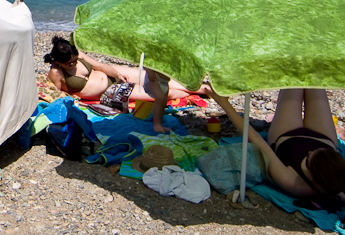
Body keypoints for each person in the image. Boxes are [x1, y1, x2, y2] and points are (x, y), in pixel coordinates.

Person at [44, 36, 206, 133]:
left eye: (75, 61)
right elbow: (60, 94)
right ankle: (201, 90)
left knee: (154, 76)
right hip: (108, 91)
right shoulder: (56, 73)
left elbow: (99, 66)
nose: (74, 64)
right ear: (59, 62)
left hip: (112, 75)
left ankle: (199, 86)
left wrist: (117, 74)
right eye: (70, 64)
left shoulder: (77, 54)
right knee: (161, 93)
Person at [210, 88, 345, 199]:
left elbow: (255, 139)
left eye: (308, 159)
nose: (309, 151)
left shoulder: (291, 181)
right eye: (314, 152)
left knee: (292, 80)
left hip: (288, 136)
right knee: (314, 79)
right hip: (323, 139)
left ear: (312, 177)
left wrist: (224, 104)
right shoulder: (336, 179)